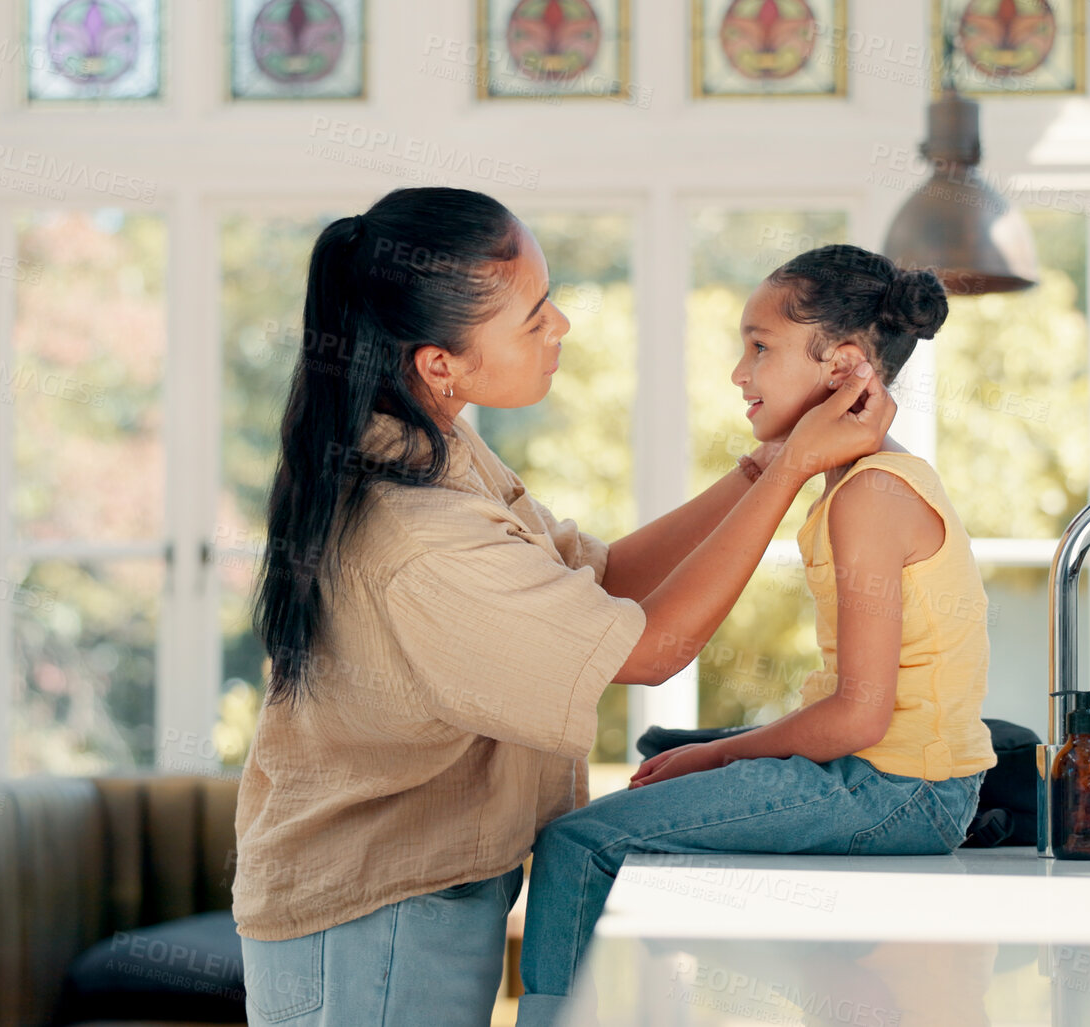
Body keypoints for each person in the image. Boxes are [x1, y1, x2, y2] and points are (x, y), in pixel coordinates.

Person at [232, 190, 897, 1026]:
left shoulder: (435, 445)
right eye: (534, 315)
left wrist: (760, 468)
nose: (562, 328)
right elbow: (649, 649)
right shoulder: (418, 534)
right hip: (371, 916)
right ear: (441, 362)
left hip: (413, 896)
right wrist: (797, 467)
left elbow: (606, 575)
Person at [514, 244, 998, 1025]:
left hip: (895, 791)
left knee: (578, 846)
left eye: (759, 346)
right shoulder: (864, 482)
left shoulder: (869, 495)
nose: (739, 373)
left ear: (841, 365)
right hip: (897, 782)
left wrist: (711, 753)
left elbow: (859, 717)